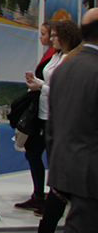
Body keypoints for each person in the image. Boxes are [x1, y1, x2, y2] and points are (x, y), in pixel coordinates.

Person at [41, 8, 98, 233]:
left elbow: (54, 126)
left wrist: (57, 172)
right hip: (92, 176)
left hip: (70, 172)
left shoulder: (65, 68)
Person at [19, 19, 81, 211]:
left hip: (57, 115)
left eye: (54, 35)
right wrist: (36, 81)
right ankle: (39, 195)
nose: (51, 39)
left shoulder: (70, 59)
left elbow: (63, 90)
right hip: (43, 113)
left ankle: (56, 202)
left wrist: (41, 86)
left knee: (55, 160)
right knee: (33, 153)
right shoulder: (56, 55)